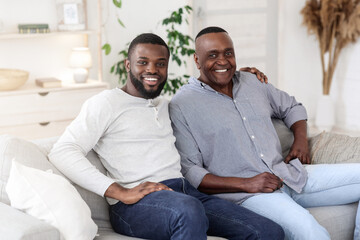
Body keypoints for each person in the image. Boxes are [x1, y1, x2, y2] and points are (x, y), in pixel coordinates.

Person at [49, 33, 284, 240]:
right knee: (188, 210)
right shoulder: (106, 103)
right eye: (143, 62)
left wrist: (239, 77)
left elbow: (207, 98)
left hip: (185, 193)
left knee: (268, 231)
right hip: (136, 205)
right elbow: (63, 151)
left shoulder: (166, 106)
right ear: (128, 65)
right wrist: (119, 191)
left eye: (160, 64)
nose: (152, 69)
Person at [169, 26, 360, 240]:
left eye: (228, 53)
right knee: (312, 233)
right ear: (197, 60)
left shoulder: (252, 81)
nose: (222, 61)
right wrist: (248, 183)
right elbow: (191, 170)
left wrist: (300, 142)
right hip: (250, 195)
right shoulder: (182, 105)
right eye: (212, 55)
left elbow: (292, 107)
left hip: (290, 175)